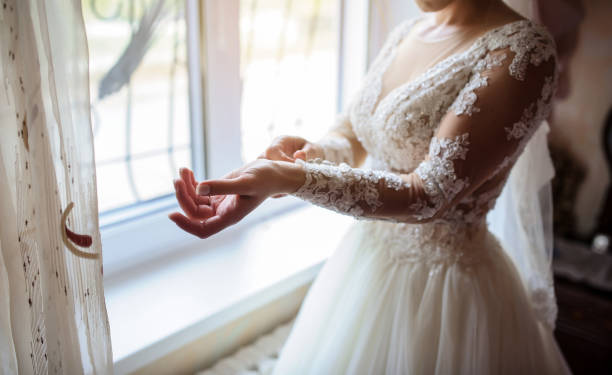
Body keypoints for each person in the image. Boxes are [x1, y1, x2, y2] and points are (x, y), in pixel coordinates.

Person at [169, 0, 571, 372]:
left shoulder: (522, 51)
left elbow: (427, 195)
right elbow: (355, 136)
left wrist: (291, 179)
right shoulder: (409, 31)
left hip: (445, 294)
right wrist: (301, 156)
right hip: (367, 262)